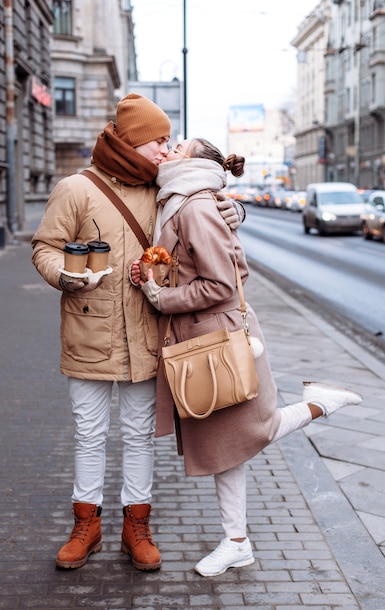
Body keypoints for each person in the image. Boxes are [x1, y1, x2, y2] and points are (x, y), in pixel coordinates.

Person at [31, 94, 243, 572]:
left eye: (170, 140)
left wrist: (234, 213)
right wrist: (65, 276)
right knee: (89, 433)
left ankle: (137, 525)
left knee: (139, 436)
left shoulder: (165, 190)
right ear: (131, 141)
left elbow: (204, 217)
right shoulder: (76, 189)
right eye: (159, 140)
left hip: (149, 334)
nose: (167, 150)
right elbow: (45, 247)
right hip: (89, 331)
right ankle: (86, 524)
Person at [133, 137, 363, 577]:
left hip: (216, 337)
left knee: (243, 435)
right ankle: (237, 541)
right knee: (228, 445)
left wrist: (161, 297)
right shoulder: (177, 200)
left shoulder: (195, 206)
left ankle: (318, 404)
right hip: (203, 336)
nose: (169, 150)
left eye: (178, 146)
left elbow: (220, 284)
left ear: (196, 162)